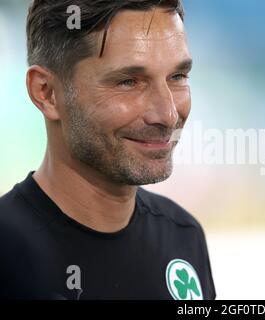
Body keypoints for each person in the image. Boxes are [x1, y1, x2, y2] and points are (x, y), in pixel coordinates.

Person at [0, 0, 215, 300]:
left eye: (177, 77)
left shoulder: (183, 237)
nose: (167, 114)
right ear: (46, 93)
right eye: (128, 82)